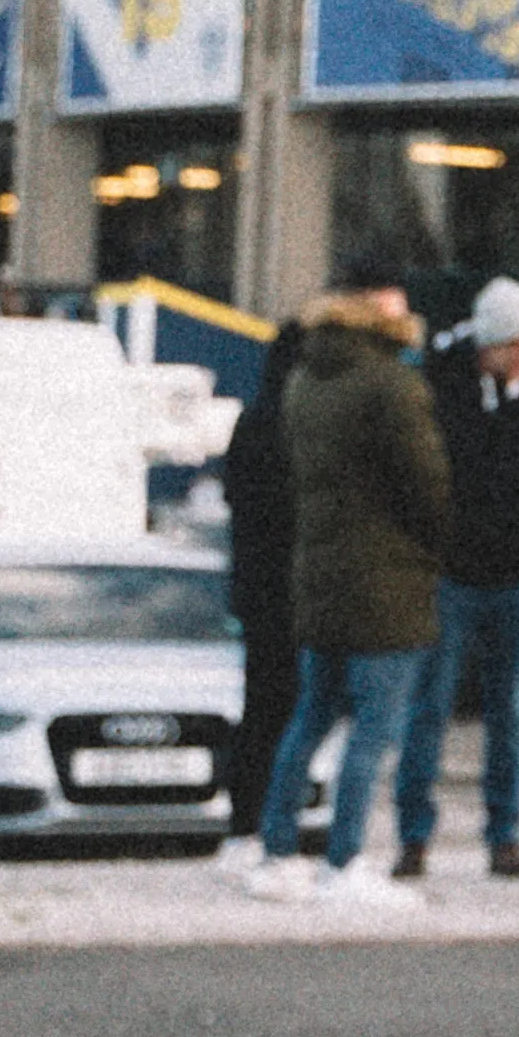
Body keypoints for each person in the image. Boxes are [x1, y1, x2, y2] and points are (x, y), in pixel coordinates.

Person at [247, 278, 452, 903]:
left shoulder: (305, 379)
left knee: (308, 718)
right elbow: (426, 485)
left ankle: (277, 854)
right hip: (388, 580)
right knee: (373, 728)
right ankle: (345, 862)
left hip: (320, 575)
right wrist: (442, 544)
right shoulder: (392, 384)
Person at [396, 277, 519, 881]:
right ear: (492, 345)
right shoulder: (443, 385)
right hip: (453, 574)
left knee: (510, 711)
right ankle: (414, 836)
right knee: (431, 708)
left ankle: (505, 834)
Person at [213, 344, 302, 836]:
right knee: (287, 710)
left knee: (260, 709)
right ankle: (269, 820)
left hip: (254, 586)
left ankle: (246, 818)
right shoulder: (290, 426)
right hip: (287, 586)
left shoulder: (251, 421)